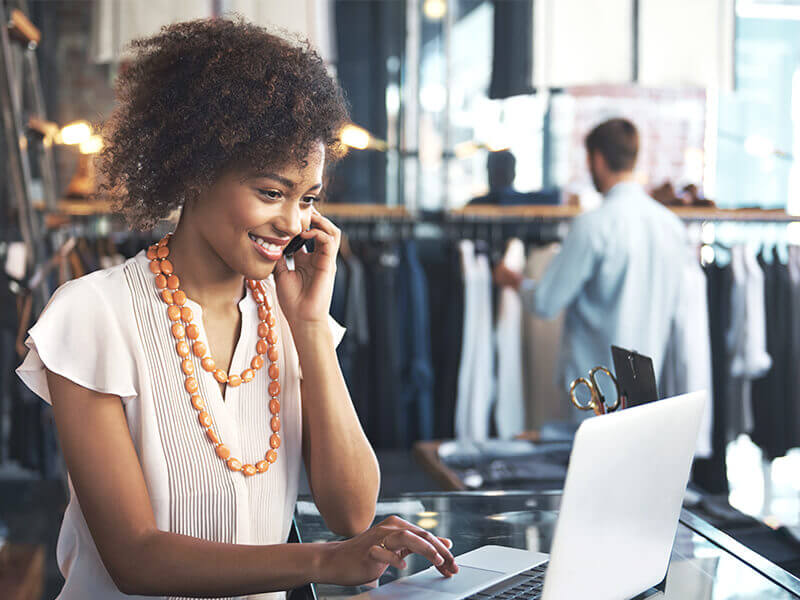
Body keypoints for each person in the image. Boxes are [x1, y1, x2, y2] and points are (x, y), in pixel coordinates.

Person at [15, 18, 457, 600]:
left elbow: (353, 512)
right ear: (196, 171)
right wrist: (321, 561)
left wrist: (310, 330)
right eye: (272, 192)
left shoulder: (291, 315)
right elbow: (134, 557)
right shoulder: (93, 315)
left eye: (309, 199)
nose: (295, 223)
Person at [494, 118, 687, 410]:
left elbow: (546, 301)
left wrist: (514, 280)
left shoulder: (593, 226)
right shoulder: (672, 227)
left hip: (595, 397)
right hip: (646, 393)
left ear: (597, 159)